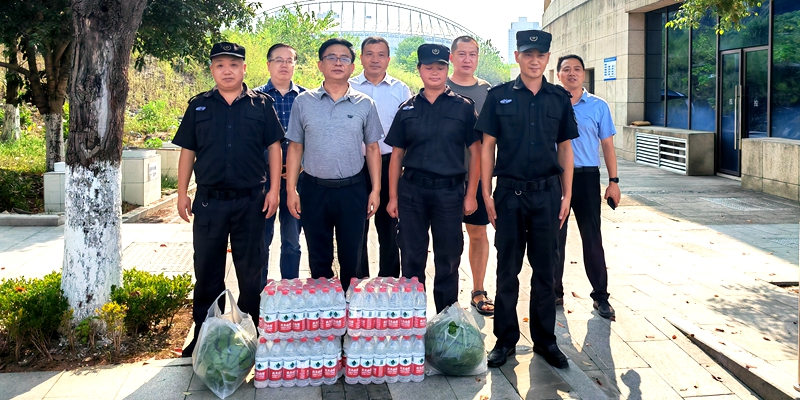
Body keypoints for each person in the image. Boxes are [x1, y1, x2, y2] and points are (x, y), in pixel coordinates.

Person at [173, 42, 284, 357]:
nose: (227, 71)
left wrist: (274, 190)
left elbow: (274, 148)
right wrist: (181, 193)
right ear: (212, 69)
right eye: (220, 65)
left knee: (251, 272)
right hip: (210, 202)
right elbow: (188, 151)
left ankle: (253, 333)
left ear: (244, 69)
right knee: (208, 272)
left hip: (252, 201)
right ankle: (205, 335)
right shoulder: (199, 106)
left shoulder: (261, 105)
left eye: (234, 65)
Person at [476, 30, 578, 369]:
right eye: (528, 54)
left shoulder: (558, 98)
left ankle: (545, 340)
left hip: (547, 195)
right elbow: (487, 146)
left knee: (546, 271)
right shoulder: (499, 96)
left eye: (541, 55)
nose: (535, 60)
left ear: (547, 58)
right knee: (507, 269)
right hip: (509, 194)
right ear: (517, 56)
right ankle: (505, 340)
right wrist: (486, 192)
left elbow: (565, 147)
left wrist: (567, 193)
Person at [385, 44, 481, 314]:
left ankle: (446, 320)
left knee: (448, 258)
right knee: (411, 257)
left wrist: (471, 194)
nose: (435, 72)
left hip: (449, 193)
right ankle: (414, 319)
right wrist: (392, 197)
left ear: (447, 69)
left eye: (440, 67)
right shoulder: (407, 109)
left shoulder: (463, 107)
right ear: (419, 70)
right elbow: (396, 156)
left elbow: (476, 153)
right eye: (429, 67)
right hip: (412, 192)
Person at [284, 38, 383, 292]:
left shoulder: (364, 103)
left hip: (352, 190)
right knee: (319, 259)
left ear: (352, 67)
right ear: (320, 64)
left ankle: (351, 310)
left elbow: (373, 148)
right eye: (331, 57)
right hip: (314, 190)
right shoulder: (303, 102)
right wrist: (291, 189)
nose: (338, 63)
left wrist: (375, 190)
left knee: (353, 259)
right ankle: (324, 311)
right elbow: (295, 147)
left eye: (344, 58)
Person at [555, 54, 620, 319]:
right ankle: (554, 293)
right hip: (556, 178)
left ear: (583, 74)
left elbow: (607, 146)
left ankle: (600, 296)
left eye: (577, 69)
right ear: (558, 74)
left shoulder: (598, 106)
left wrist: (613, 182)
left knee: (592, 237)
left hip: (587, 177)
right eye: (566, 69)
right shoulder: (550, 102)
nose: (572, 73)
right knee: (554, 238)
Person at [350, 36, 412, 278]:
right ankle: (358, 281)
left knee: (389, 226)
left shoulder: (400, 90)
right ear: (361, 58)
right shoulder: (349, 86)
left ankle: (388, 281)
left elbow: (408, 131)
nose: (375, 59)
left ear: (388, 59)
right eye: (369, 54)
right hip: (355, 165)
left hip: (390, 164)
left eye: (380, 54)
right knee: (356, 226)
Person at [446, 35, 494, 316]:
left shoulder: (488, 91)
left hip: (479, 177)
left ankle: (478, 290)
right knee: (448, 237)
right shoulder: (439, 86)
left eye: (472, 54)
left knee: (478, 232)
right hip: (446, 176)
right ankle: (447, 295)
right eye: (461, 54)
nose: (467, 60)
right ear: (451, 57)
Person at [254, 43, 306, 286]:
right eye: (278, 60)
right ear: (268, 65)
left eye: (289, 60)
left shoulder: (307, 98)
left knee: (292, 240)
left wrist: (300, 163)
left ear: (295, 65)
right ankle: (259, 292)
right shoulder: (254, 98)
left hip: (297, 180)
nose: (284, 65)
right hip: (262, 180)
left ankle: (290, 290)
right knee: (261, 240)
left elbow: (314, 136)